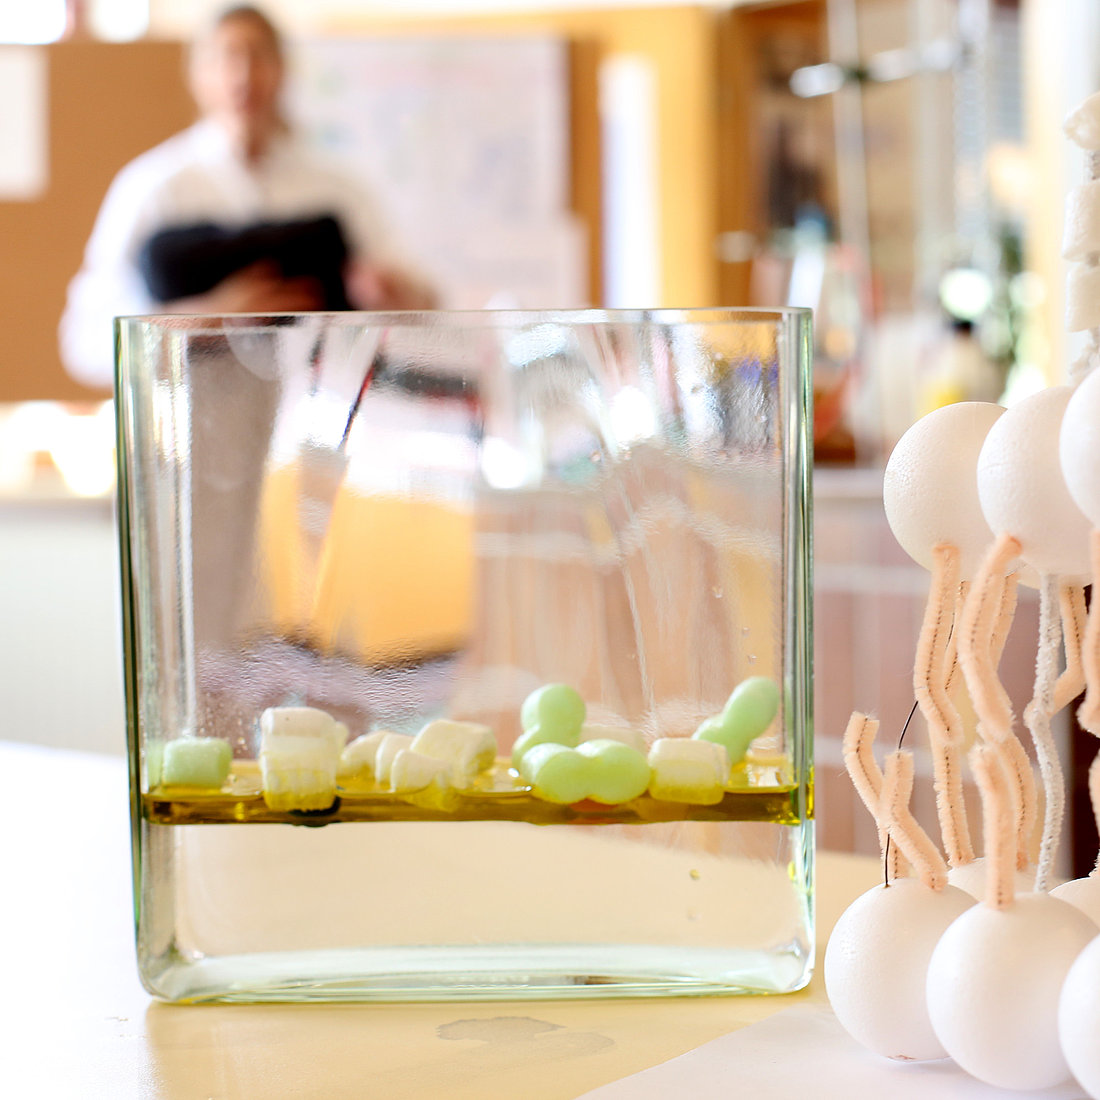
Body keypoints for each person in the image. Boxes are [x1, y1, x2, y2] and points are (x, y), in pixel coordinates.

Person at [59, 3, 437, 390]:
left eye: (258, 56)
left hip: (319, 411)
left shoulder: (338, 189)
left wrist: (391, 295)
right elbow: (84, 341)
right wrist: (206, 318)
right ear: (196, 73)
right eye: (226, 57)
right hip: (196, 412)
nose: (242, 75)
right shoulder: (153, 188)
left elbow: (425, 306)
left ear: (283, 69)